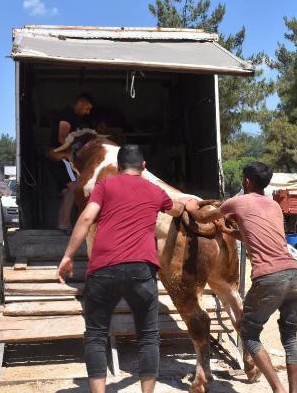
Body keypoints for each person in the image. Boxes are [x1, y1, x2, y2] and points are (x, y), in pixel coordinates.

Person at [57, 144, 187, 393]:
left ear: (117, 167)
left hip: (104, 268)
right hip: (142, 270)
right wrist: (188, 207)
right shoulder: (154, 189)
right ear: (144, 166)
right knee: (148, 336)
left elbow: (85, 218)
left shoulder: (104, 186)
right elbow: (175, 208)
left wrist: (68, 256)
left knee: (96, 335)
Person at [185, 162, 297, 393]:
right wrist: (228, 232)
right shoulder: (274, 207)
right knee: (289, 338)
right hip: (294, 274)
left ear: (247, 181)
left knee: (249, 334)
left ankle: (277, 389)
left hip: (269, 277)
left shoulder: (237, 202)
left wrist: (189, 204)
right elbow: (255, 235)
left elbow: (203, 216)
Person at [49, 93, 94, 229]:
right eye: (87, 108)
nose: (88, 112)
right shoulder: (67, 115)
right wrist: (73, 151)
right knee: (74, 188)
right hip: (61, 157)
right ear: (81, 102)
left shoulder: (71, 116)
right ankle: (64, 223)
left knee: (68, 191)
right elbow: (62, 138)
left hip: (60, 157)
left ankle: (63, 223)